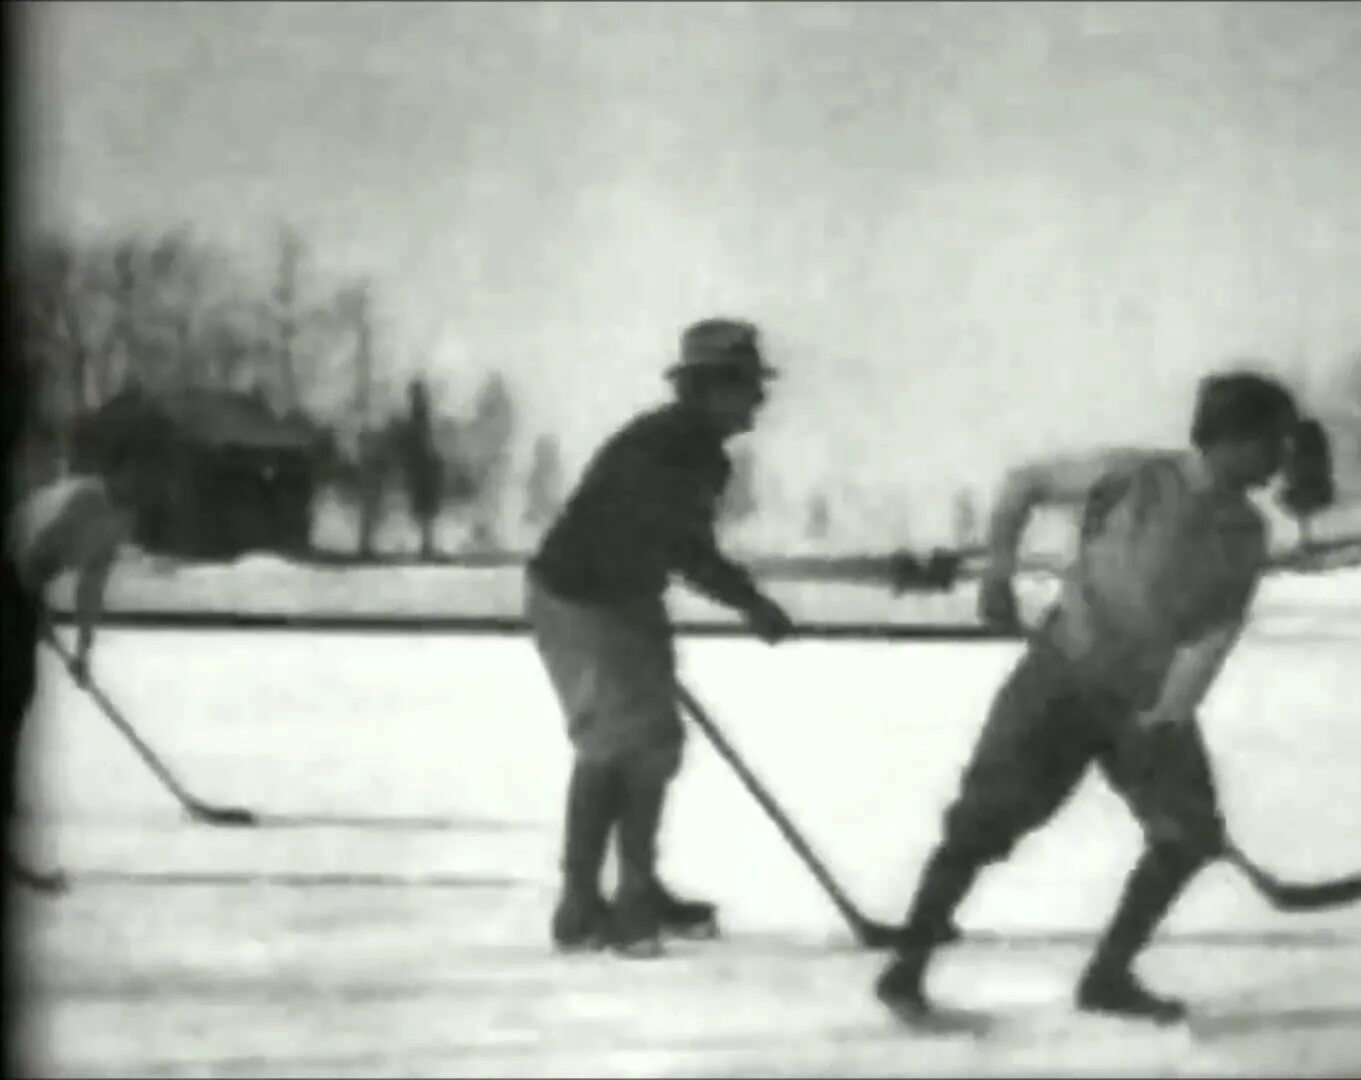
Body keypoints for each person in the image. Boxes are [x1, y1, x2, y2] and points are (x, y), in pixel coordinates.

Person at [874, 370, 1307, 1025]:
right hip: (1062, 680)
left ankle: (1106, 979)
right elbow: (1024, 483)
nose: (1281, 458)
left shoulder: (1247, 531)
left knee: (1186, 835)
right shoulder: (1136, 476)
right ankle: (905, 970)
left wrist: (1172, 710)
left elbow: (1216, 630)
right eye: (1272, 441)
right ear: (1229, 438)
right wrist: (996, 572)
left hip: (1143, 702)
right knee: (982, 823)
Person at [525, 317, 796, 958]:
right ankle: (600, 904)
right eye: (748, 386)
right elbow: (684, 547)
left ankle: (625, 891)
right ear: (711, 389)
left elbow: (680, 545)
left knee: (651, 742)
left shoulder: (695, 448)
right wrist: (750, 603)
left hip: (623, 594)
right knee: (623, 742)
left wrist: (745, 598)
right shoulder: (671, 447)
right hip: (582, 596)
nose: (759, 400)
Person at [4, 473, 131, 893]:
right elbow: (24, 551)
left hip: (22, 585)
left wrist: (84, 650)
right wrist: (27, 605)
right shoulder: (75, 502)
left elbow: (90, 589)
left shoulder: (114, 526)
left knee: (21, 694)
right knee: (14, 690)